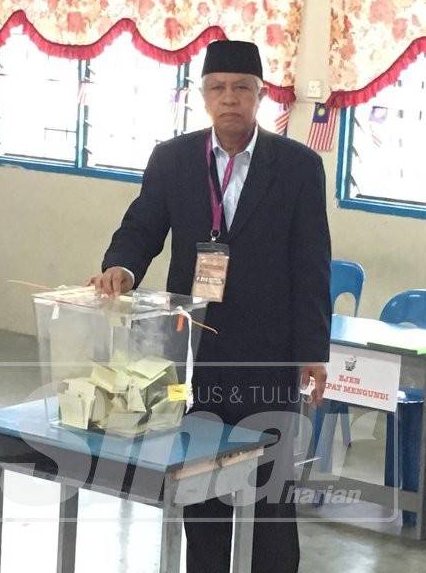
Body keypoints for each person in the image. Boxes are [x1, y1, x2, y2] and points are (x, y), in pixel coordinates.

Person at [90, 40, 331, 573]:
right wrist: (123, 267)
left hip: (268, 352)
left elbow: (313, 262)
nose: (230, 99)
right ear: (203, 96)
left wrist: (314, 350)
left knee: (269, 484)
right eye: (218, 88)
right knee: (196, 477)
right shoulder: (174, 158)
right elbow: (143, 224)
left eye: (242, 88)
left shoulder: (297, 166)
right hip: (189, 345)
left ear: (261, 96)